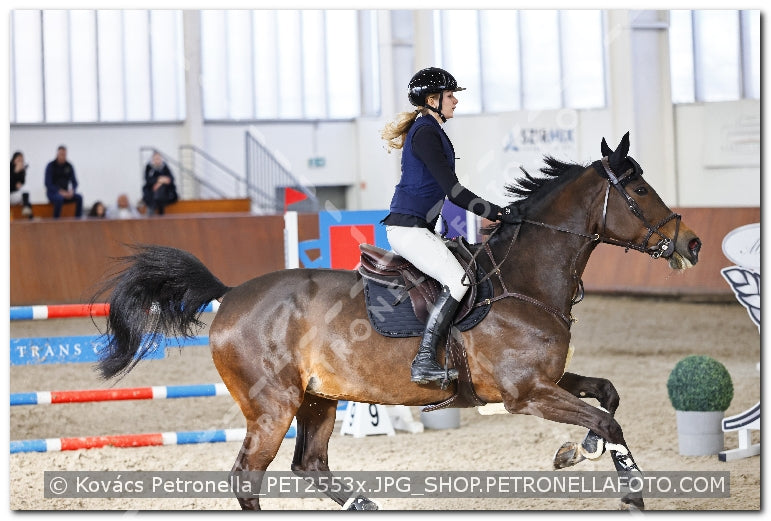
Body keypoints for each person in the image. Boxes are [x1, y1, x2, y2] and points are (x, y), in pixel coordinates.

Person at [380, 67, 521, 385]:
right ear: (433, 100)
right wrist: (497, 211)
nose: (455, 100)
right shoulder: (426, 132)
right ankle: (424, 361)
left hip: (421, 228)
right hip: (409, 229)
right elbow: (453, 190)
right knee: (458, 282)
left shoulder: (430, 128)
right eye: (450, 95)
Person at [45, 145, 83, 218]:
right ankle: (56, 222)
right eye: (61, 154)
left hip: (66, 193)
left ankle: (78, 221)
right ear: (57, 154)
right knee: (59, 198)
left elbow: (75, 182)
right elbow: (48, 184)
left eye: (64, 155)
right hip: (53, 193)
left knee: (79, 197)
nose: (63, 156)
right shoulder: (50, 166)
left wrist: (72, 191)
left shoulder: (69, 166)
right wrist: (60, 192)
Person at [142, 151, 178, 215]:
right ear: (152, 159)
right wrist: (158, 180)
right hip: (151, 190)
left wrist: (159, 183)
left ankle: (156, 210)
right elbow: (148, 180)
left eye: (158, 158)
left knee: (161, 190)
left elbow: (171, 178)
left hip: (164, 190)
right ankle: (156, 210)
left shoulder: (164, 166)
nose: (157, 160)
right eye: (155, 159)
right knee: (152, 193)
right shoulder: (149, 167)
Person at [10, 151, 33, 218]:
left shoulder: (21, 170)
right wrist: (15, 171)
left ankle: (30, 217)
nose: (20, 161)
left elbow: (21, 184)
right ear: (14, 159)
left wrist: (21, 172)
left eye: (21, 160)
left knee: (26, 194)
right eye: (18, 159)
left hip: (13, 195)